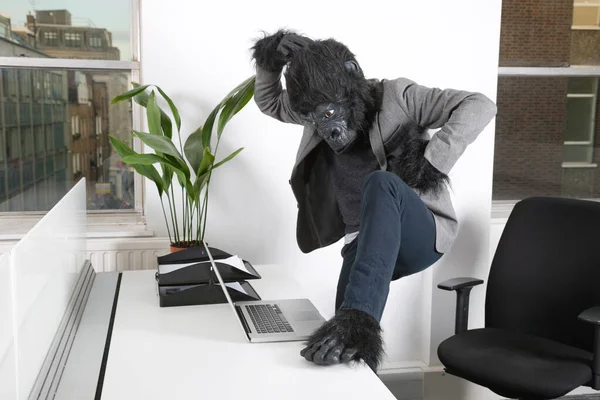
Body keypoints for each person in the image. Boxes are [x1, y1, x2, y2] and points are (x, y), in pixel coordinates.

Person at [250, 29, 498, 371]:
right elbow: (269, 102)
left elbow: (479, 104)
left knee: (381, 183)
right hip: (364, 243)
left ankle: (360, 318)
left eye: (331, 114)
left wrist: (431, 161)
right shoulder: (312, 112)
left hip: (419, 231)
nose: (331, 130)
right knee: (340, 341)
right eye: (319, 119)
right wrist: (269, 59)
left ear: (353, 79)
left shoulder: (399, 97)